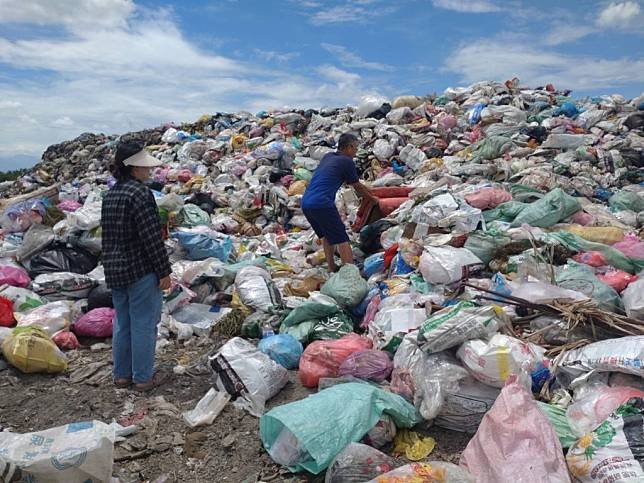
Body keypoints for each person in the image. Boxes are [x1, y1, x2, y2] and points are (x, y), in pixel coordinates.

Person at [101, 142, 172, 391]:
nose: (148, 170)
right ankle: (142, 378)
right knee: (143, 323)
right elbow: (150, 237)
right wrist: (164, 271)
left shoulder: (110, 194)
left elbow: (108, 236)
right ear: (132, 167)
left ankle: (121, 376)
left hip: (114, 268)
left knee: (123, 322)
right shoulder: (141, 194)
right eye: (144, 165)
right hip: (140, 269)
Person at [301, 133, 376, 272]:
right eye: (355, 148)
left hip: (306, 203)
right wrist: (373, 199)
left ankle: (331, 267)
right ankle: (350, 274)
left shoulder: (328, 156)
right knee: (342, 238)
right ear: (349, 147)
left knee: (326, 236)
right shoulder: (347, 162)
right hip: (322, 203)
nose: (356, 152)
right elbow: (357, 186)